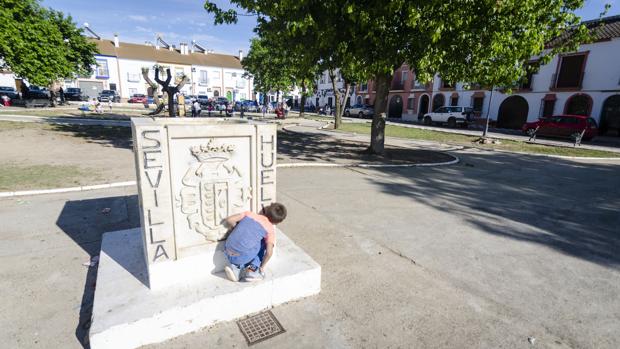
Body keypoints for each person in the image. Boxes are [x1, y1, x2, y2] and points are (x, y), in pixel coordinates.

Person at [223, 203, 287, 282]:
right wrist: (262, 266)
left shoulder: (249, 214)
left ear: (266, 210)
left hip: (227, 249)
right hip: (241, 257)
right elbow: (269, 253)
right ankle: (252, 270)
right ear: (277, 222)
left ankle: (235, 268)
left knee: (249, 242)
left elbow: (229, 220)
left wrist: (236, 229)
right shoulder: (270, 230)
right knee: (263, 244)